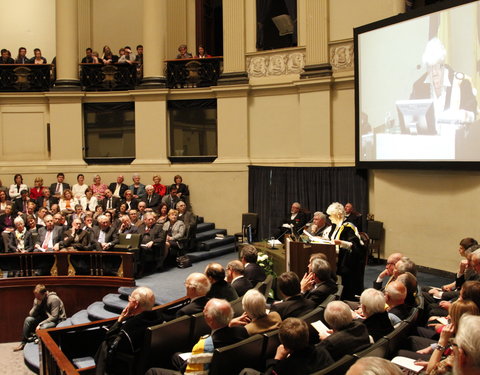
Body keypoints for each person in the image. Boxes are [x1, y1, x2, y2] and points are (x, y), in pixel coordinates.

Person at [147, 298, 249, 375]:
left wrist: (186, 365)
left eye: (205, 311)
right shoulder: (241, 331)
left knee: (152, 371)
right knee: (175, 356)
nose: (203, 312)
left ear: (210, 319)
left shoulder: (205, 345)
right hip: (225, 368)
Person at [410, 37, 477, 128]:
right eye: (430, 67)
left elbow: (473, 114)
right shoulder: (418, 87)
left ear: (443, 63)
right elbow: (410, 116)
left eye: (437, 66)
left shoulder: (462, 83)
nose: (434, 72)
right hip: (426, 139)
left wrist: (462, 115)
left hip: (455, 139)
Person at [94, 287, 158, 375]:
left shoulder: (130, 327)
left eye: (129, 300)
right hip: (151, 361)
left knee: (104, 345)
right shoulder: (158, 318)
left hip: (129, 368)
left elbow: (112, 345)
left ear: (136, 304)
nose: (128, 302)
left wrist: (120, 319)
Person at [323, 202, 366, 300]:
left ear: (338, 215)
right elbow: (331, 239)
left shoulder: (348, 227)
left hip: (348, 261)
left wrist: (341, 242)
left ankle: (345, 297)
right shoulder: (334, 226)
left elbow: (356, 246)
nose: (329, 218)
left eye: (331, 215)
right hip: (335, 257)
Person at [260, 318, 334, 375]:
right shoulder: (323, 351)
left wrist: (276, 359)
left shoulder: (284, 368)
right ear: (307, 336)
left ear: (284, 344)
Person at [14, 284, 66, 351]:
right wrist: (37, 305)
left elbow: (54, 317)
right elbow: (31, 314)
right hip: (45, 318)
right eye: (35, 296)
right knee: (28, 319)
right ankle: (24, 343)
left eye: (38, 296)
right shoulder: (38, 299)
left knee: (43, 327)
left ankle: (37, 340)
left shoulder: (53, 299)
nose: (36, 297)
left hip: (57, 321)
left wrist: (40, 324)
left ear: (44, 293)